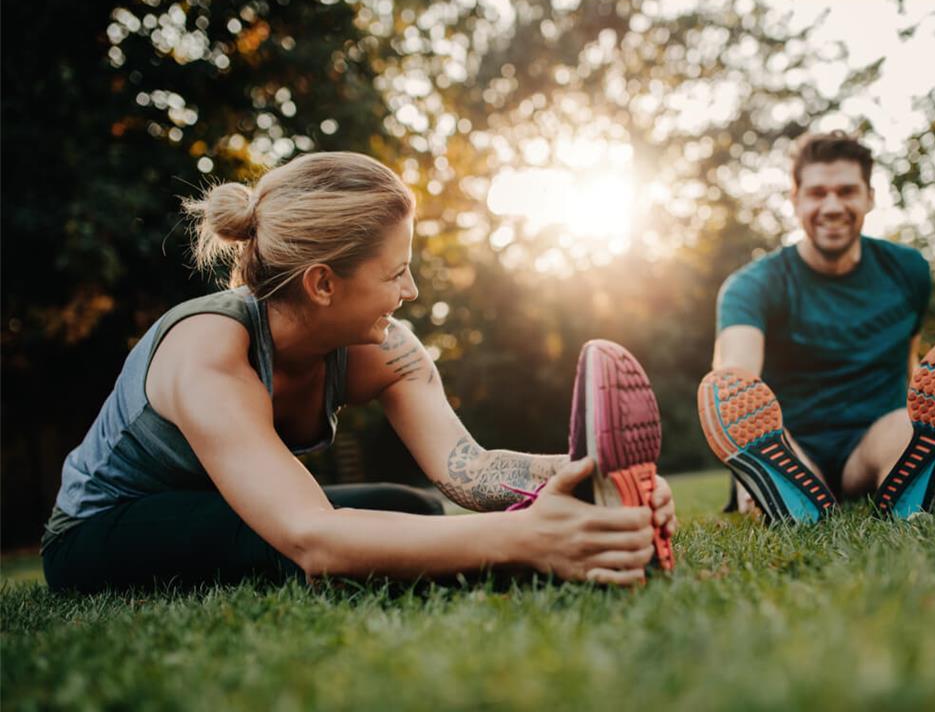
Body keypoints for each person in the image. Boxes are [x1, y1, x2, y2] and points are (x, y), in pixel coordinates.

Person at [42, 151, 675, 592]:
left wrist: (594, 480)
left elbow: (471, 471)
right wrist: (526, 541)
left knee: (415, 511)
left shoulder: (385, 349)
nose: (413, 289)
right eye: (395, 272)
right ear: (322, 283)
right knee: (303, 550)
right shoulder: (210, 349)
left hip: (224, 509)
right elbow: (314, 537)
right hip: (106, 528)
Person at [698, 131, 935, 522]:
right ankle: (770, 484)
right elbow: (735, 381)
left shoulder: (908, 271)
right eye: (818, 193)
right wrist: (739, 459)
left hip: (874, 439)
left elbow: (909, 361)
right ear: (796, 200)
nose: (833, 206)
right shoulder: (753, 285)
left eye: (847, 191)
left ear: (870, 196)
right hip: (793, 442)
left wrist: (925, 418)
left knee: (906, 431)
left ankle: (924, 479)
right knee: (776, 448)